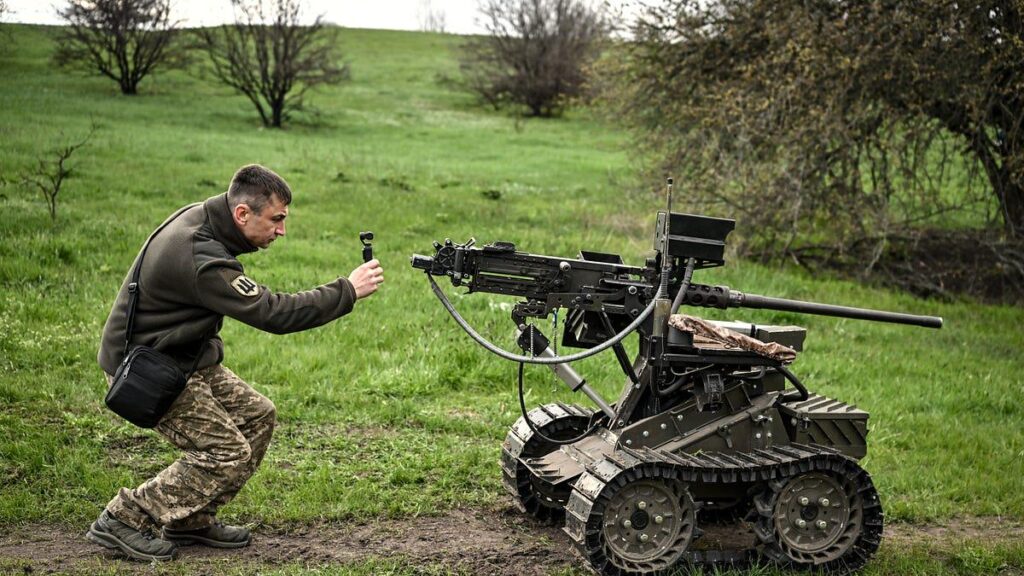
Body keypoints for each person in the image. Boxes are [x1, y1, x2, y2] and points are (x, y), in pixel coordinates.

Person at [89, 164, 384, 561]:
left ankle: (189, 518)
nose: (282, 230)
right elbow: (273, 313)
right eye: (276, 219)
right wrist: (347, 290)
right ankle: (124, 517)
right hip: (148, 370)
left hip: (182, 356)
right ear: (242, 213)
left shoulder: (208, 218)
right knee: (226, 453)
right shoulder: (203, 257)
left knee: (258, 415)